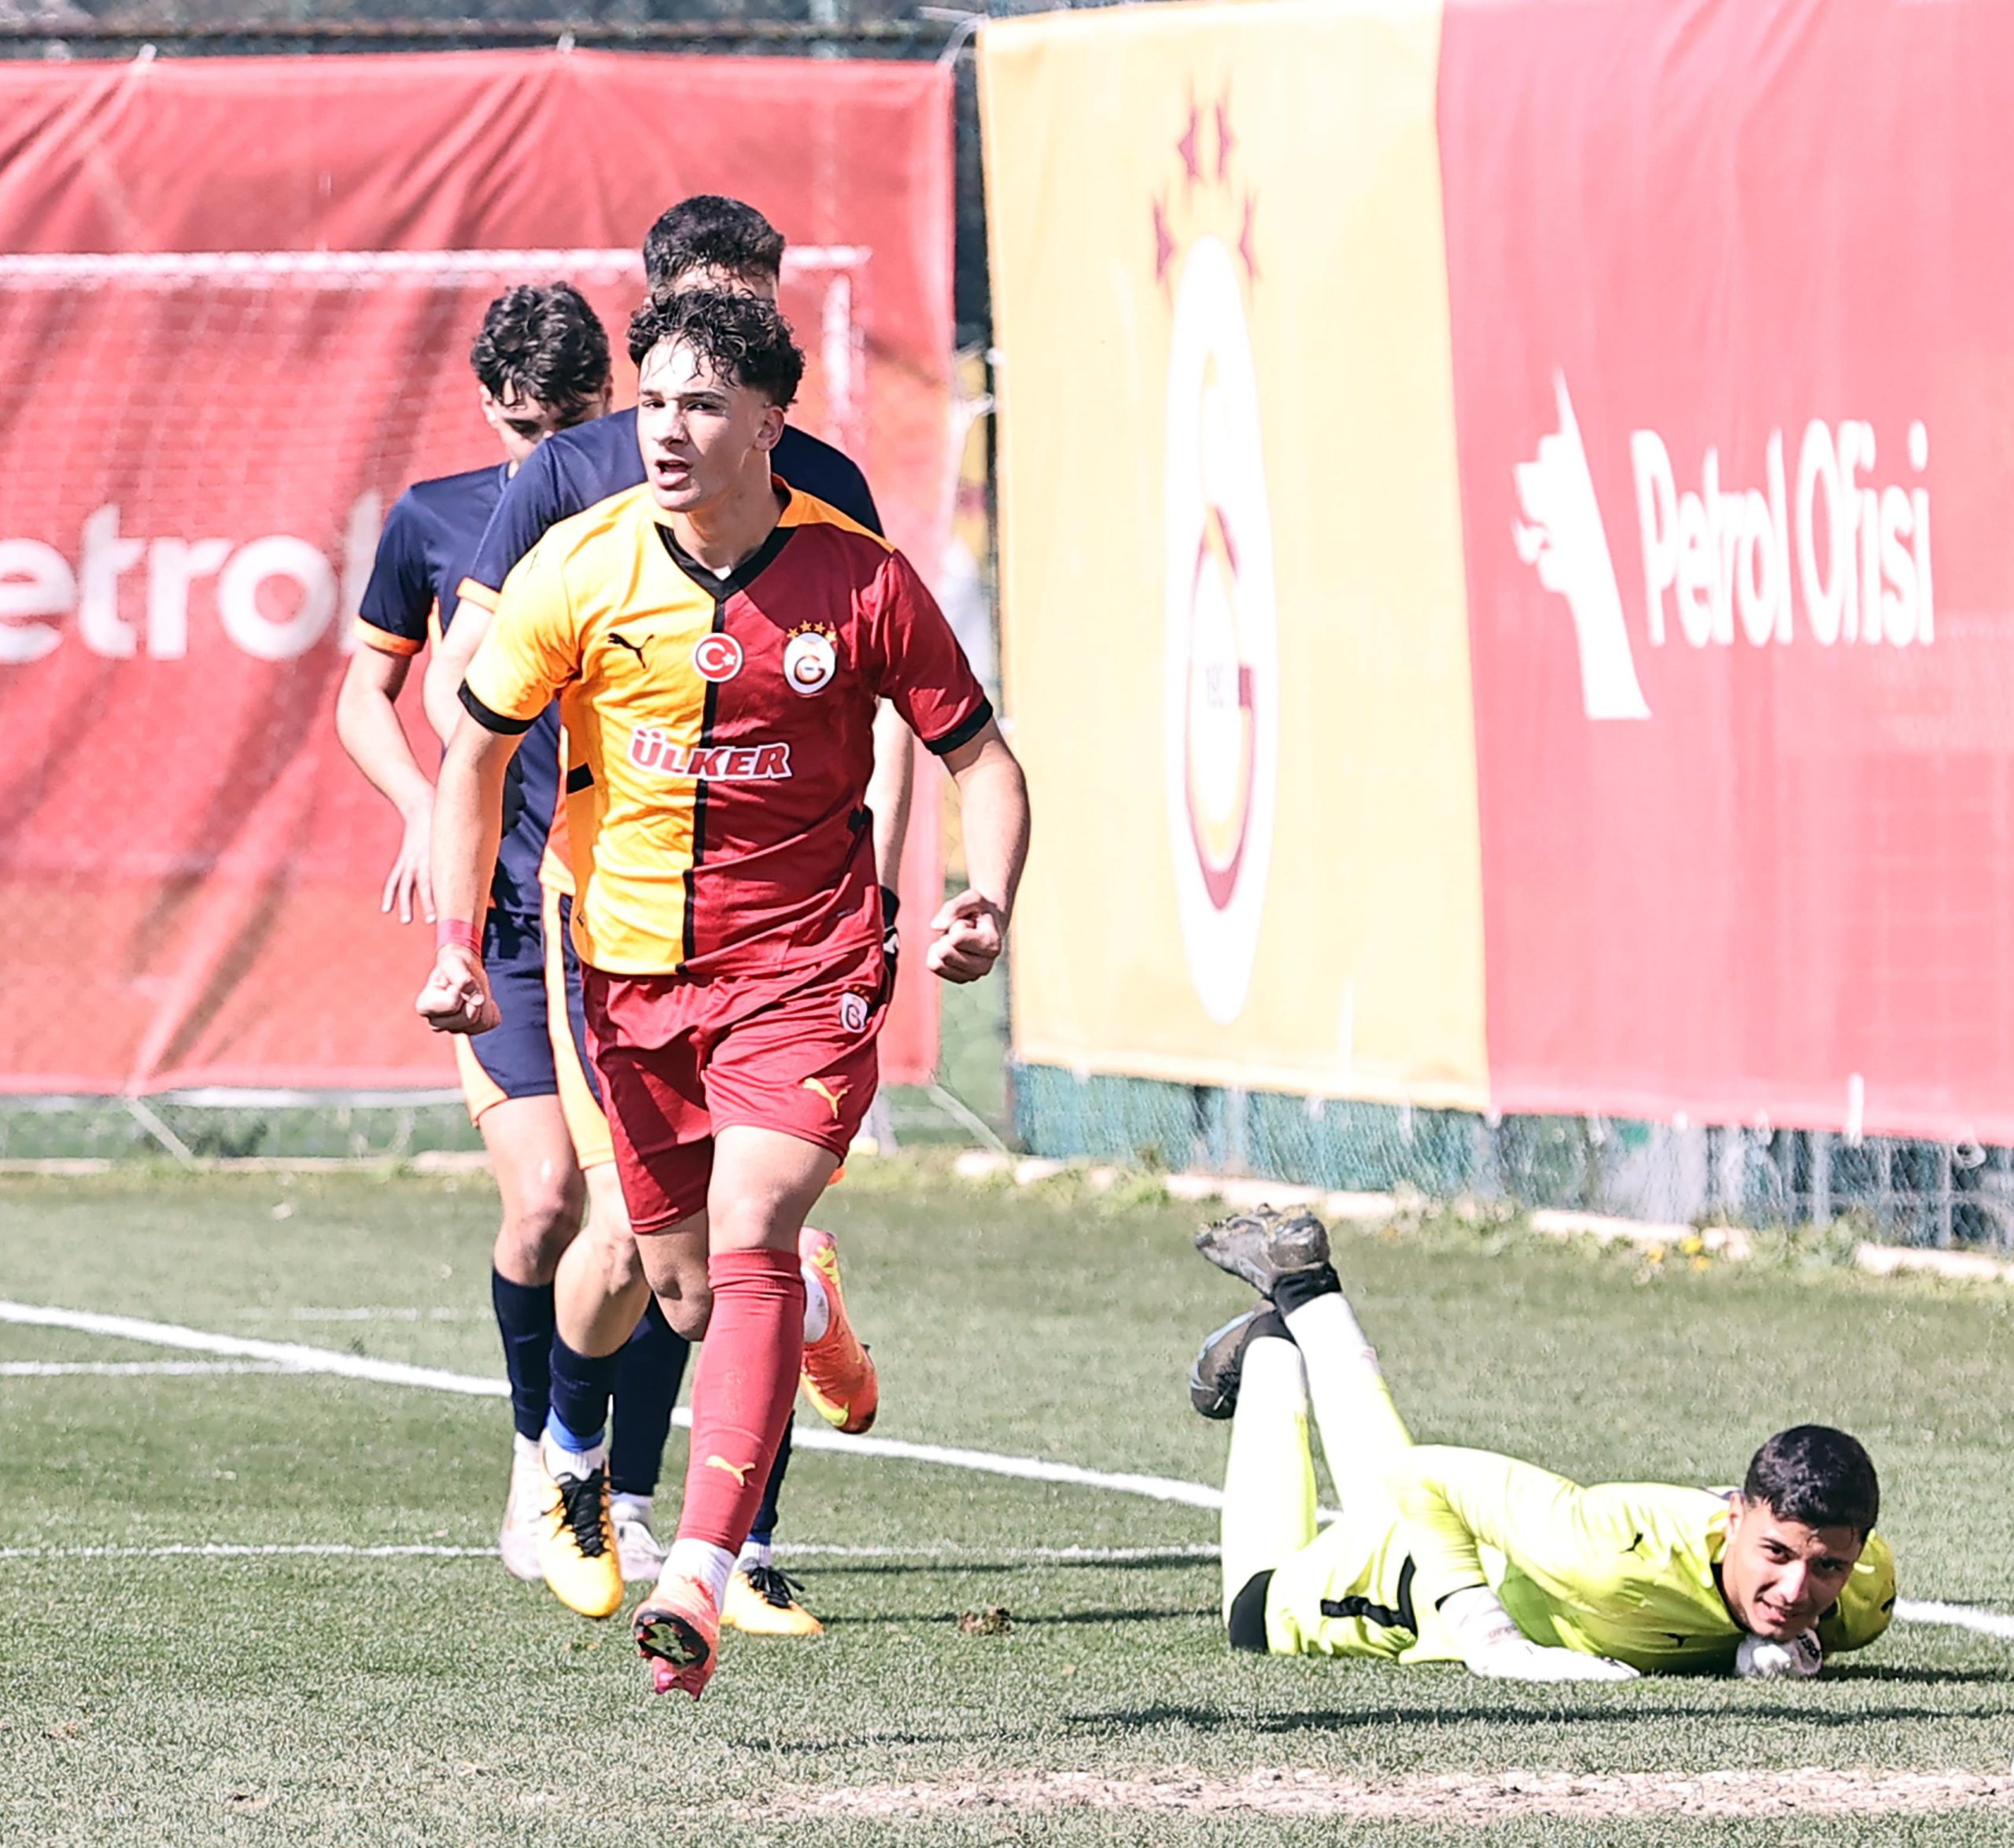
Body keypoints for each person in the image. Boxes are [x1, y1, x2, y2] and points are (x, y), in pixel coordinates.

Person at [420, 286, 1031, 1701]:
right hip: (628, 976)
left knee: (751, 1222)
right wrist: (456, 940)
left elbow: (984, 760)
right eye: (652, 403)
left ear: (768, 422)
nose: (667, 431)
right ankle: (808, 1313)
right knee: (686, 1285)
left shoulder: (861, 580)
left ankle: (697, 1568)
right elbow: (472, 756)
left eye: (700, 404)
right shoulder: (578, 567)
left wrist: (987, 899)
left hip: (808, 965)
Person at [337, 282, 705, 1588]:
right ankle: (533, 1460)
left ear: (607, 403)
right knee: (547, 1199)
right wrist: (422, 805)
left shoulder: (656, 525)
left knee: (645, 1216)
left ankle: (618, 1491)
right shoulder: (437, 519)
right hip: (501, 914)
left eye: (565, 422)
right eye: (517, 425)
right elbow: (371, 692)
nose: (540, 449)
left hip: (621, 904)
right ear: (485, 406)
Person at [1190, 1207, 1897, 1679]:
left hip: (1468, 1533)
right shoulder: (1605, 1553)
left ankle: (1307, 1290)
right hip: (1401, 1582)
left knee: (1382, 1500)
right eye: (1775, 1553)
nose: (1797, 1589)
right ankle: (1269, 1350)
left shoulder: (1862, 1593)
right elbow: (1422, 1477)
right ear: (1735, 1516)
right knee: (1252, 1615)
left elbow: (1820, 1574)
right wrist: (1488, 1638)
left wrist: (1800, 1641)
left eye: (1827, 1566)